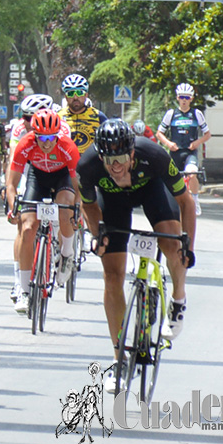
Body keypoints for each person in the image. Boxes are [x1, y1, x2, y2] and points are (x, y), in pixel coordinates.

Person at [79, 119, 193, 393]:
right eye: (109, 160)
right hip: (113, 200)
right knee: (112, 274)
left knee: (172, 245)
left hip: (152, 190)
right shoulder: (88, 165)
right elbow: (89, 205)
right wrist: (98, 236)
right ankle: (119, 360)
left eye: (120, 158)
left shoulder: (153, 155)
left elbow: (185, 202)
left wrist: (188, 246)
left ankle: (178, 299)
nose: (114, 166)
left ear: (132, 153)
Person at [4, 109, 82, 314]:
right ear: (34, 135)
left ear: (58, 134)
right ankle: (23, 289)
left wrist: (78, 209)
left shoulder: (68, 147)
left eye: (51, 138)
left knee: (66, 208)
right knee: (28, 228)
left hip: (62, 177)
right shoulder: (25, 144)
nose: (47, 143)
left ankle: (67, 253)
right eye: (42, 138)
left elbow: (78, 187)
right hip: (37, 178)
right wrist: (13, 208)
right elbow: (11, 184)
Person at [157, 82, 210, 197]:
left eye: (187, 97)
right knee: (170, 179)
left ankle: (195, 200)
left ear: (191, 98)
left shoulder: (197, 114)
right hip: (175, 152)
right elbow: (159, 133)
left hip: (190, 152)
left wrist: (197, 142)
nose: (184, 100)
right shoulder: (171, 114)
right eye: (181, 97)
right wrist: (168, 143)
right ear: (177, 98)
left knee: (192, 174)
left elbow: (207, 134)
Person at [61, 74, 108, 154]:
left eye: (79, 93)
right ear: (66, 97)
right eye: (71, 94)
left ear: (86, 95)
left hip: (90, 163)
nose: (75, 97)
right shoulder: (59, 117)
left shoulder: (98, 116)